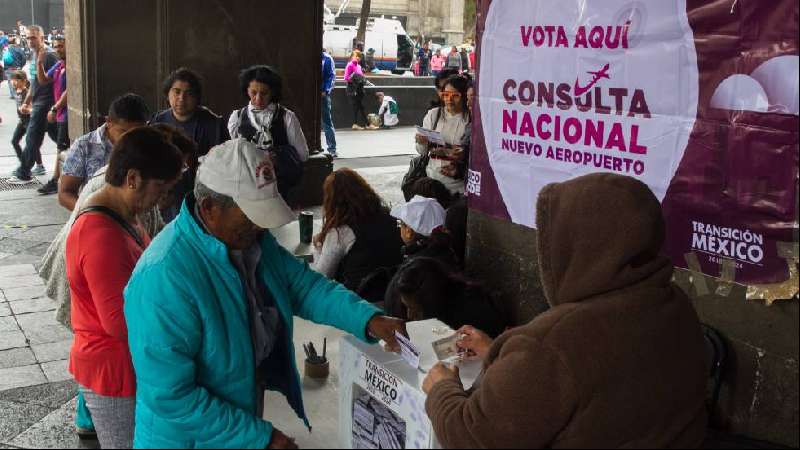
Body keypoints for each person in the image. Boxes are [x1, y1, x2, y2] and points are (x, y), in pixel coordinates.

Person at [123, 139, 407, 449]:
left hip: (237, 416)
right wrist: (259, 437)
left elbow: (304, 286)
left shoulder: (251, 241)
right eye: (251, 218)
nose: (260, 228)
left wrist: (369, 319)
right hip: (185, 439)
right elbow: (171, 397)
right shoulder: (163, 276)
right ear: (209, 208)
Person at [422, 173, 709, 448]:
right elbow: (592, 382)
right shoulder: (673, 304)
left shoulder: (552, 345)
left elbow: (472, 437)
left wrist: (442, 390)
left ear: (568, 246)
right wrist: (501, 355)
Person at [66, 127, 184, 449]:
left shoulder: (123, 213)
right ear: (132, 178)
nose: (162, 198)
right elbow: (119, 323)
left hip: (128, 363)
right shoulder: (100, 234)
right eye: (160, 187)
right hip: (114, 371)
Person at [311, 168, 404, 296]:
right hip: (393, 295)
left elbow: (321, 277)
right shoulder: (389, 216)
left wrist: (318, 247)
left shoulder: (342, 232)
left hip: (358, 303)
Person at [228, 65, 310, 198]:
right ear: (246, 90)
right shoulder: (236, 118)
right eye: (253, 93)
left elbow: (303, 155)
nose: (258, 99)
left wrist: (278, 156)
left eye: (264, 93)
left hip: (279, 190)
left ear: (273, 92)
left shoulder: (287, 117)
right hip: (247, 189)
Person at [59, 93, 150, 211]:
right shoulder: (84, 146)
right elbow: (65, 193)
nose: (130, 139)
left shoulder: (150, 145)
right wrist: (91, 212)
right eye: (123, 131)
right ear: (108, 122)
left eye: (137, 132)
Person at [391, 257, 507, 338]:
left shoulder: (474, 315)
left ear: (433, 305)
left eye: (416, 310)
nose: (409, 315)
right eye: (407, 307)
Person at [8, 25, 58, 184]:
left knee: (32, 138)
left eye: (33, 37)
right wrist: (27, 101)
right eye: (28, 37)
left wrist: (54, 107)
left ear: (42, 38)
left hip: (45, 104)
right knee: (56, 137)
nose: (30, 40)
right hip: (39, 103)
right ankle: (24, 170)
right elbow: (35, 83)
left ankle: (24, 172)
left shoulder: (48, 56)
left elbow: (54, 82)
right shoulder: (35, 55)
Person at [150, 67, 229, 158]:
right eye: (177, 92)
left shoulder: (214, 124)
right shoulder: (157, 121)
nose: (181, 98)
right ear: (168, 94)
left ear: (197, 97)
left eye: (189, 93)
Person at [415, 75, 471, 195]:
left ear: (465, 96)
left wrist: (455, 153)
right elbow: (422, 151)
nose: (449, 100)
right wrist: (421, 142)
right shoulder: (434, 115)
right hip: (432, 181)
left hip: (458, 186)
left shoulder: (470, 119)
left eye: (455, 95)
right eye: (445, 94)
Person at [38, 35, 68, 195]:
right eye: (56, 46)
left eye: (61, 46)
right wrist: (39, 62)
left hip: (66, 115)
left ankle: (56, 180)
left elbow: (71, 91)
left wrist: (55, 108)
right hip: (60, 114)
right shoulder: (58, 65)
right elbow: (43, 80)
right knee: (61, 147)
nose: (58, 49)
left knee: (61, 148)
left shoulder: (72, 66)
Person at [9, 71, 31, 167]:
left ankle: (39, 165)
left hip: (29, 120)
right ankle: (24, 163)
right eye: (12, 80)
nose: (13, 82)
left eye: (15, 80)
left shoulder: (26, 92)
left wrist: (28, 110)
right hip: (22, 121)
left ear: (23, 81)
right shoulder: (16, 91)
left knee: (31, 143)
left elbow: (32, 106)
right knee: (14, 141)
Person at [345, 51, 368, 130]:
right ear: (352, 56)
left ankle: (363, 124)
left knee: (359, 107)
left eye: (359, 56)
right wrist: (354, 78)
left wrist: (362, 80)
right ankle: (364, 124)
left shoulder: (358, 66)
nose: (358, 58)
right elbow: (346, 78)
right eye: (356, 56)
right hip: (353, 89)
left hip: (359, 89)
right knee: (358, 106)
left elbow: (361, 77)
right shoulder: (350, 65)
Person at [321, 50, 337, 157]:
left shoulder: (326, 59)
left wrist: (326, 91)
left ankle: (332, 148)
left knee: (327, 122)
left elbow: (331, 76)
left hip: (322, 94)